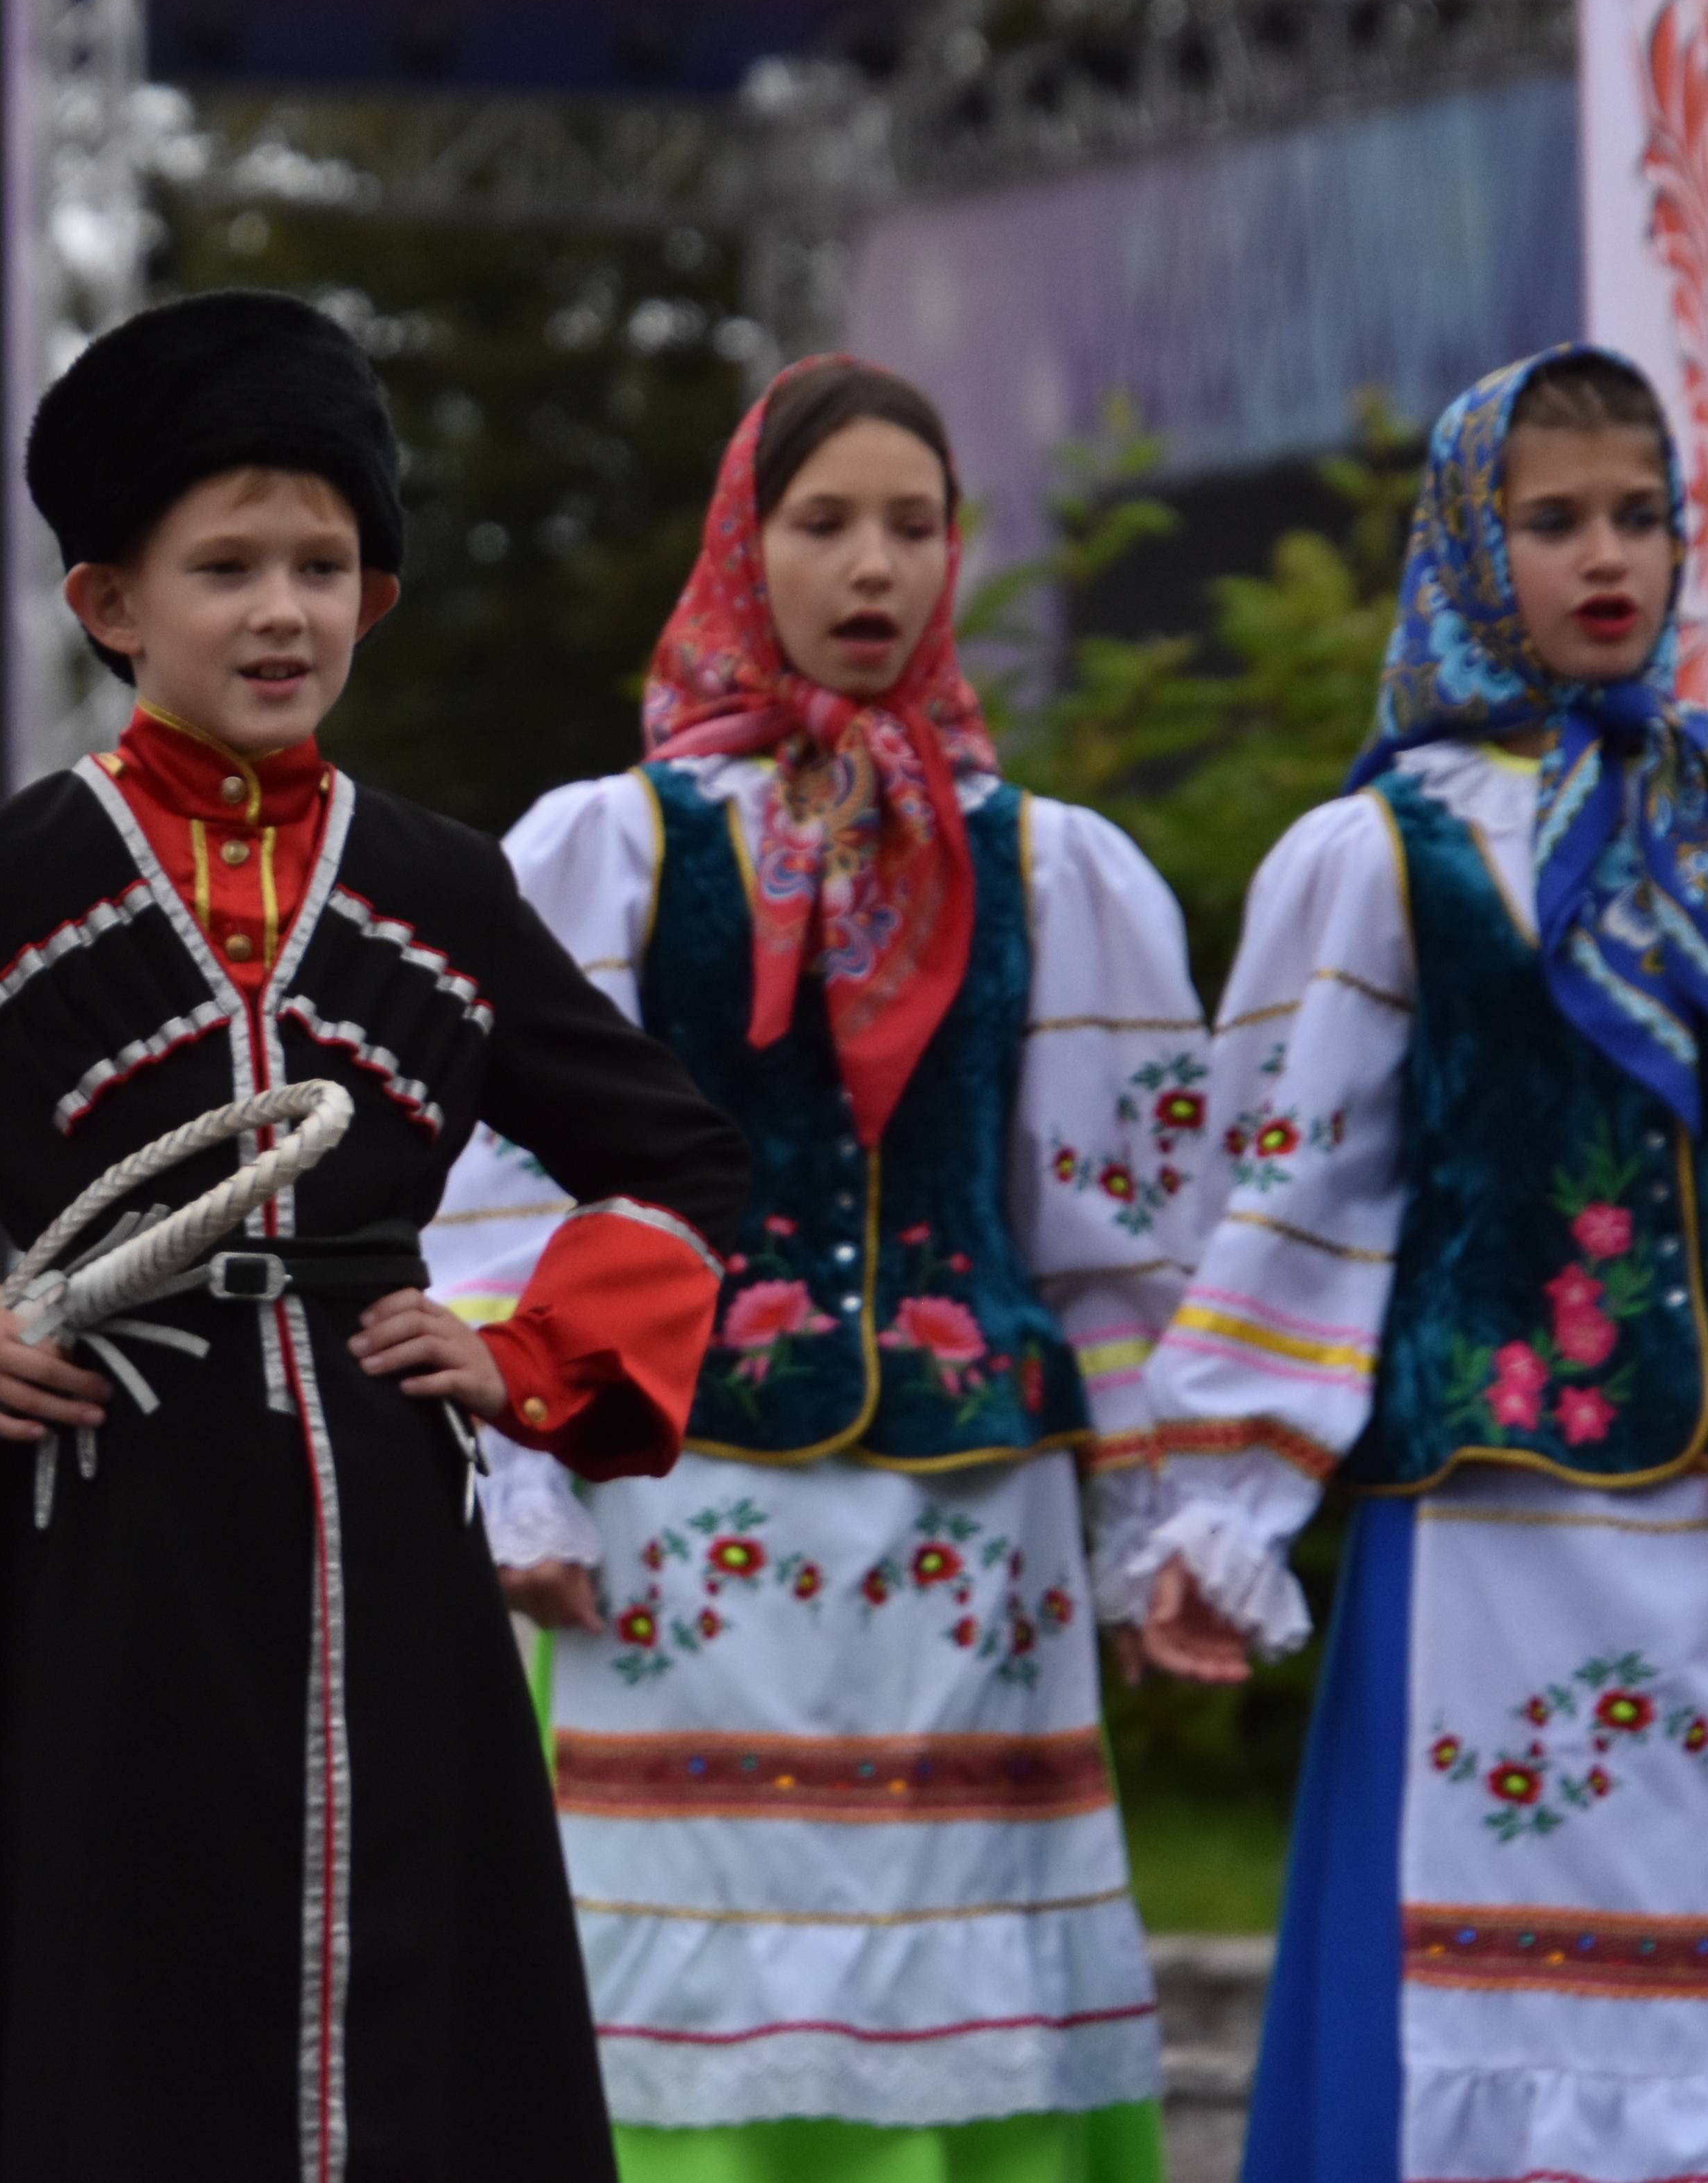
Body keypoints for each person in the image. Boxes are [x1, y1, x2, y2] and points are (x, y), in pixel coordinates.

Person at [0, 287, 755, 2181]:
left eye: (321, 564)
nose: (280, 610)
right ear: (110, 605)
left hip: (388, 1530)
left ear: (375, 598)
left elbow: (679, 1153)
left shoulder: (444, 891)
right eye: (225, 566)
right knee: (104, 2009)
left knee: (407, 2014)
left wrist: (531, 1357)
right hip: (96, 1535)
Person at [1125, 347, 1708, 2182]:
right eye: (1551, 519)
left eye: (1638, 513)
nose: (1605, 554)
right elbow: (1300, 1192)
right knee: (1486, 1987)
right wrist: (1228, 1499)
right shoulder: (1384, 855)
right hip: (1504, 1537)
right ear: (1473, 551)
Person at [428, 356, 1202, 2181]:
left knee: (956, 1967)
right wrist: (521, 1466)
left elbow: (1118, 1229)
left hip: (969, 1519)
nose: (874, 569)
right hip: (681, 1513)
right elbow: (508, 1174)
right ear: (740, 547)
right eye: (825, 523)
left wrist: (1161, 1520)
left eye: (914, 527)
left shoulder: (1050, 868)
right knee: (679, 1975)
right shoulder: (612, 848)